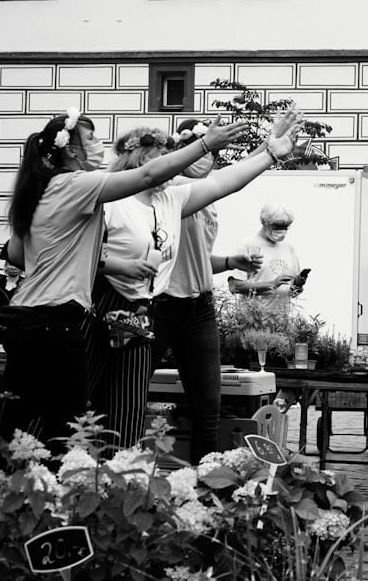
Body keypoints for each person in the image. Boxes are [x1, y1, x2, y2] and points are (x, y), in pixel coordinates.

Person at [0, 109, 245, 452]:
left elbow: (18, 254)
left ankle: (11, 490)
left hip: (25, 317)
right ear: (71, 150)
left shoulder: (39, 188)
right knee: (65, 426)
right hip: (60, 318)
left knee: (22, 420)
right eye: (92, 139)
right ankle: (72, 491)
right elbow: (146, 176)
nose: (100, 146)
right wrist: (205, 144)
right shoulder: (78, 184)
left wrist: (109, 264)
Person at [87, 116, 299, 450]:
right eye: (165, 157)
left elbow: (226, 180)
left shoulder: (172, 198)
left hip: (173, 306)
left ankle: (204, 483)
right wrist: (121, 266)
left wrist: (271, 153)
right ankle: (106, 475)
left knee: (203, 405)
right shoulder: (111, 198)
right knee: (115, 401)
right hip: (122, 305)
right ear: (145, 162)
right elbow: (83, 257)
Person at [150, 117, 280, 463]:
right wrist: (268, 150)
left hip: (199, 306)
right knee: (132, 396)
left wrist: (229, 261)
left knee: (209, 405)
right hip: (160, 305)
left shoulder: (208, 194)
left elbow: (194, 257)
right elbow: (230, 180)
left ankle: (203, 481)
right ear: (183, 150)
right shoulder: (170, 187)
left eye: (214, 153)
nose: (209, 160)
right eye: (203, 149)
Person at [230, 202, 307, 312]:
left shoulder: (289, 248)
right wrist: (271, 284)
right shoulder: (247, 245)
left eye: (285, 227)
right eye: (277, 226)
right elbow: (234, 286)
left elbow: (293, 293)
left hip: (281, 322)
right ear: (264, 222)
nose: (281, 230)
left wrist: (298, 286)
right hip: (252, 321)